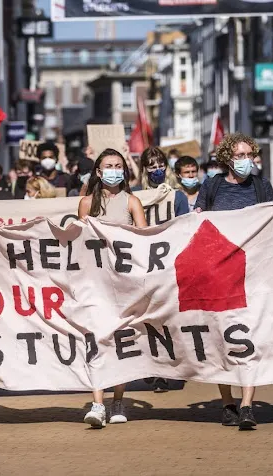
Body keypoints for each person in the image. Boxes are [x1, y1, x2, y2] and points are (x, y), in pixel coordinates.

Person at [194, 132, 273, 430]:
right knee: (220, 337)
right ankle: (227, 404)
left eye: (249, 155)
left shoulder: (262, 186)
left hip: (253, 272)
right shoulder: (212, 186)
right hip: (217, 272)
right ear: (227, 158)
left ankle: (248, 405)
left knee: (251, 335)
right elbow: (198, 222)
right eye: (239, 156)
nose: (245, 161)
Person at [78, 148, 148, 428]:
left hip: (125, 283)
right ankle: (97, 403)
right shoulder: (86, 203)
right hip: (95, 284)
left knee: (122, 341)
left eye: (119, 166)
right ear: (98, 171)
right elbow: (79, 242)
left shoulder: (132, 202)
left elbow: (145, 240)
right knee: (96, 341)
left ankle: (118, 400)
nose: (114, 170)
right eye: (108, 166)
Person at [134, 147, 189, 218]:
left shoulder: (177, 195)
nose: (158, 170)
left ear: (166, 167)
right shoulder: (135, 194)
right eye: (153, 167)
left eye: (161, 166)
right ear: (144, 169)